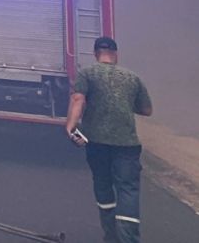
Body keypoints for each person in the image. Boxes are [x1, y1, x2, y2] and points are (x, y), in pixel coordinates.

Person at [66, 36, 153, 243]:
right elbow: (147, 110)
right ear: (115, 54)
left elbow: (78, 99)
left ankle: (111, 235)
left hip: (97, 143)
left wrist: (71, 126)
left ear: (96, 53)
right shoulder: (133, 78)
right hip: (128, 145)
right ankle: (129, 239)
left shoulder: (87, 73)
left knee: (103, 185)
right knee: (128, 190)